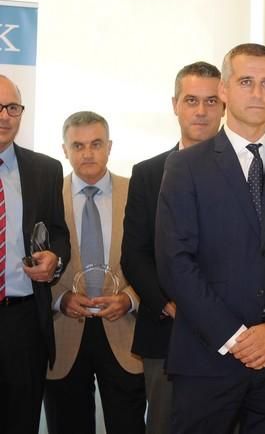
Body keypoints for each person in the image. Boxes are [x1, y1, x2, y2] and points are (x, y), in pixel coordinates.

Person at [155, 43, 265, 433]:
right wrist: (235, 336)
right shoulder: (185, 167)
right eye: (246, 81)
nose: (257, 92)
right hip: (207, 356)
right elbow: (175, 262)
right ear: (224, 90)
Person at [121, 61, 225, 434]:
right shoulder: (148, 173)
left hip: (234, 336)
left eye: (211, 101)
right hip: (168, 332)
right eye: (191, 100)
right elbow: (134, 253)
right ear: (175, 104)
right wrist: (170, 303)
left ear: (225, 104)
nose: (201, 111)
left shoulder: (249, 170)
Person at [44, 111, 145, 433]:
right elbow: (28, 259)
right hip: (63, 333)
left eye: (96, 144)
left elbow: (156, 257)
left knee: (128, 426)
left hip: (124, 329)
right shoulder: (45, 196)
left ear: (110, 146)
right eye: (78, 145)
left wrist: (131, 299)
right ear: (64, 149)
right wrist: (60, 300)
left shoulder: (138, 193)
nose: (87, 153)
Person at [0, 74, 70, 434]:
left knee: (21, 422)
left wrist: (55, 259)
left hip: (23, 322)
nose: (4, 116)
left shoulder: (46, 170)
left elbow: (59, 234)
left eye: (12, 107)